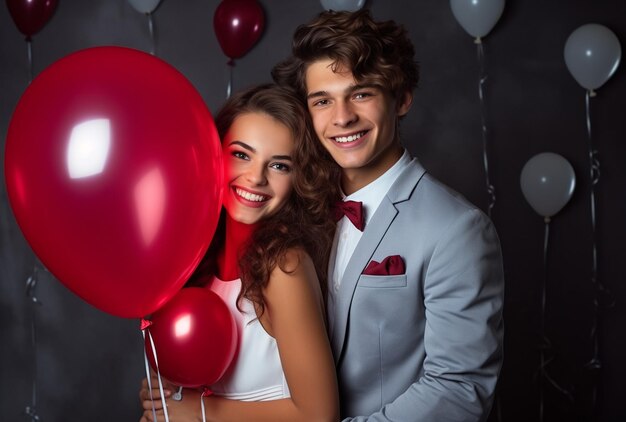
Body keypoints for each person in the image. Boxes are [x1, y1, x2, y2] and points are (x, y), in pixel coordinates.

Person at [271, 9, 505, 422]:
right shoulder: (299, 210)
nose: (342, 117)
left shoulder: (458, 229)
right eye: (323, 101)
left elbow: (459, 390)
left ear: (402, 98)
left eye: (361, 93)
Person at [139, 84, 341, 421]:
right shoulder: (196, 264)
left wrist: (199, 411)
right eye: (241, 154)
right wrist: (164, 399)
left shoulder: (283, 267)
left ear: (299, 180)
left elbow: (319, 415)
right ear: (213, 154)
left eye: (279, 166)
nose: (255, 178)